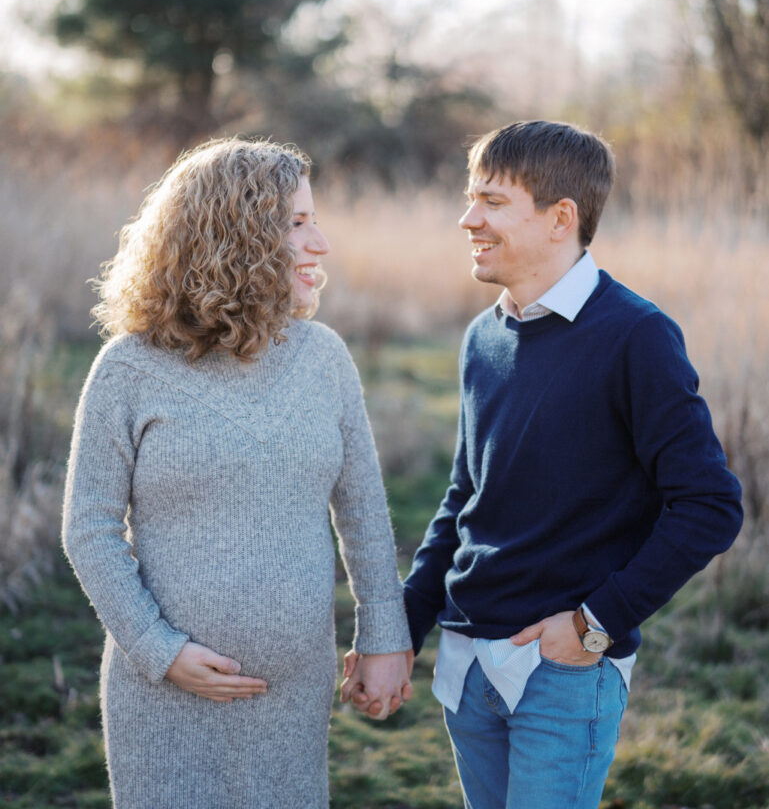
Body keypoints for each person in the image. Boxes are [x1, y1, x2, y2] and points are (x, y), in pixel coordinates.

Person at [343, 120, 743, 809]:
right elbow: (465, 498)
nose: (468, 219)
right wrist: (401, 629)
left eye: (492, 202)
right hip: (467, 665)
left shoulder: (634, 336)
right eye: (471, 199)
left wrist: (595, 622)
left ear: (560, 218)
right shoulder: (481, 337)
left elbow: (708, 504)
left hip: (564, 670)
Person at [62, 137, 412, 809]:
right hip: (160, 696)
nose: (321, 244)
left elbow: (363, 511)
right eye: (299, 222)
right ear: (238, 235)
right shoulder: (129, 370)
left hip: (293, 696)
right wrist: (159, 650)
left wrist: (384, 636)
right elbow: (90, 529)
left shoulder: (324, 360)